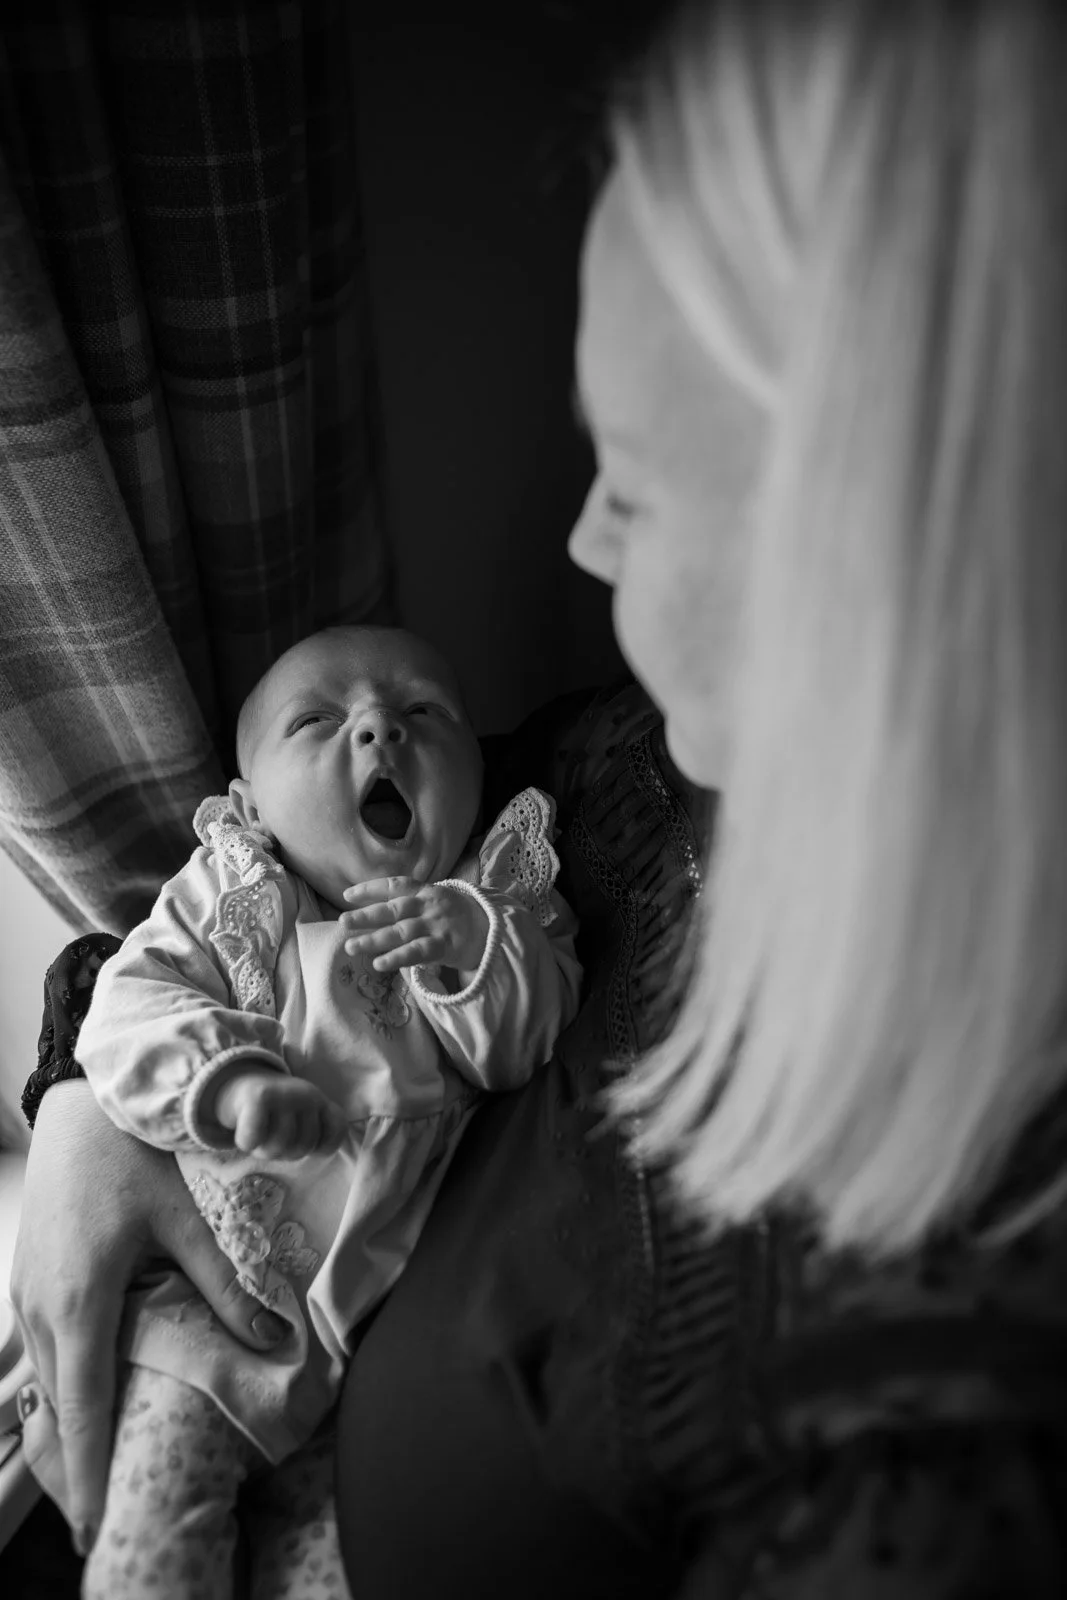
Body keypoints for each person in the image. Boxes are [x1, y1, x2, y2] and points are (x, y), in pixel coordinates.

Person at [11, 1, 1067, 1595]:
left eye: (632, 486)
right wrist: (88, 1112)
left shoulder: (915, 1436)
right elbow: (204, 907)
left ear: (870, 568)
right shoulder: (623, 770)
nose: (577, 547)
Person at [22, 622, 581, 1599]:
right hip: (201, 1319)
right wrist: (230, 1083)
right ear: (247, 806)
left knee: (328, 1573)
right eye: (317, 720)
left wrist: (468, 942)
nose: (378, 730)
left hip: (367, 1350)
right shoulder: (230, 896)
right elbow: (123, 1011)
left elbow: (520, 1047)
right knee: (151, 1561)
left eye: (423, 712)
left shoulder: (498, 899)